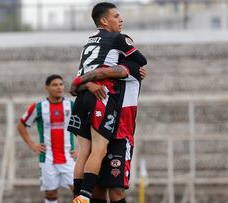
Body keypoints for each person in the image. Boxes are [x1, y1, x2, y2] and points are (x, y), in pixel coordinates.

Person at [67, 2, 147, 203]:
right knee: (97, 152)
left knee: (89, 157)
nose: (121, 20)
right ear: (104, 20)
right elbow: (139, 60)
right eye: (116, 16)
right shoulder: (121, 47)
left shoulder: (88, 45)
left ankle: (78, 195)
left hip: (88, 100)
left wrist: (82, 82)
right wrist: (91, 81)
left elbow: (76, 84)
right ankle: (82, 197)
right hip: (108, 114)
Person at [17, 74, 76, 203]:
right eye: (55, 85)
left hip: (68, 156)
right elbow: (21, 125)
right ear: (47, 88)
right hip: (47, 157)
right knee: (50, 194)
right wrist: (32, 144)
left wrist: (81, 148)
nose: (59, 87)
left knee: (77, 191)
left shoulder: (71, 106)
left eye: (61, 84)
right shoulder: (38, 107)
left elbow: (85, 126)